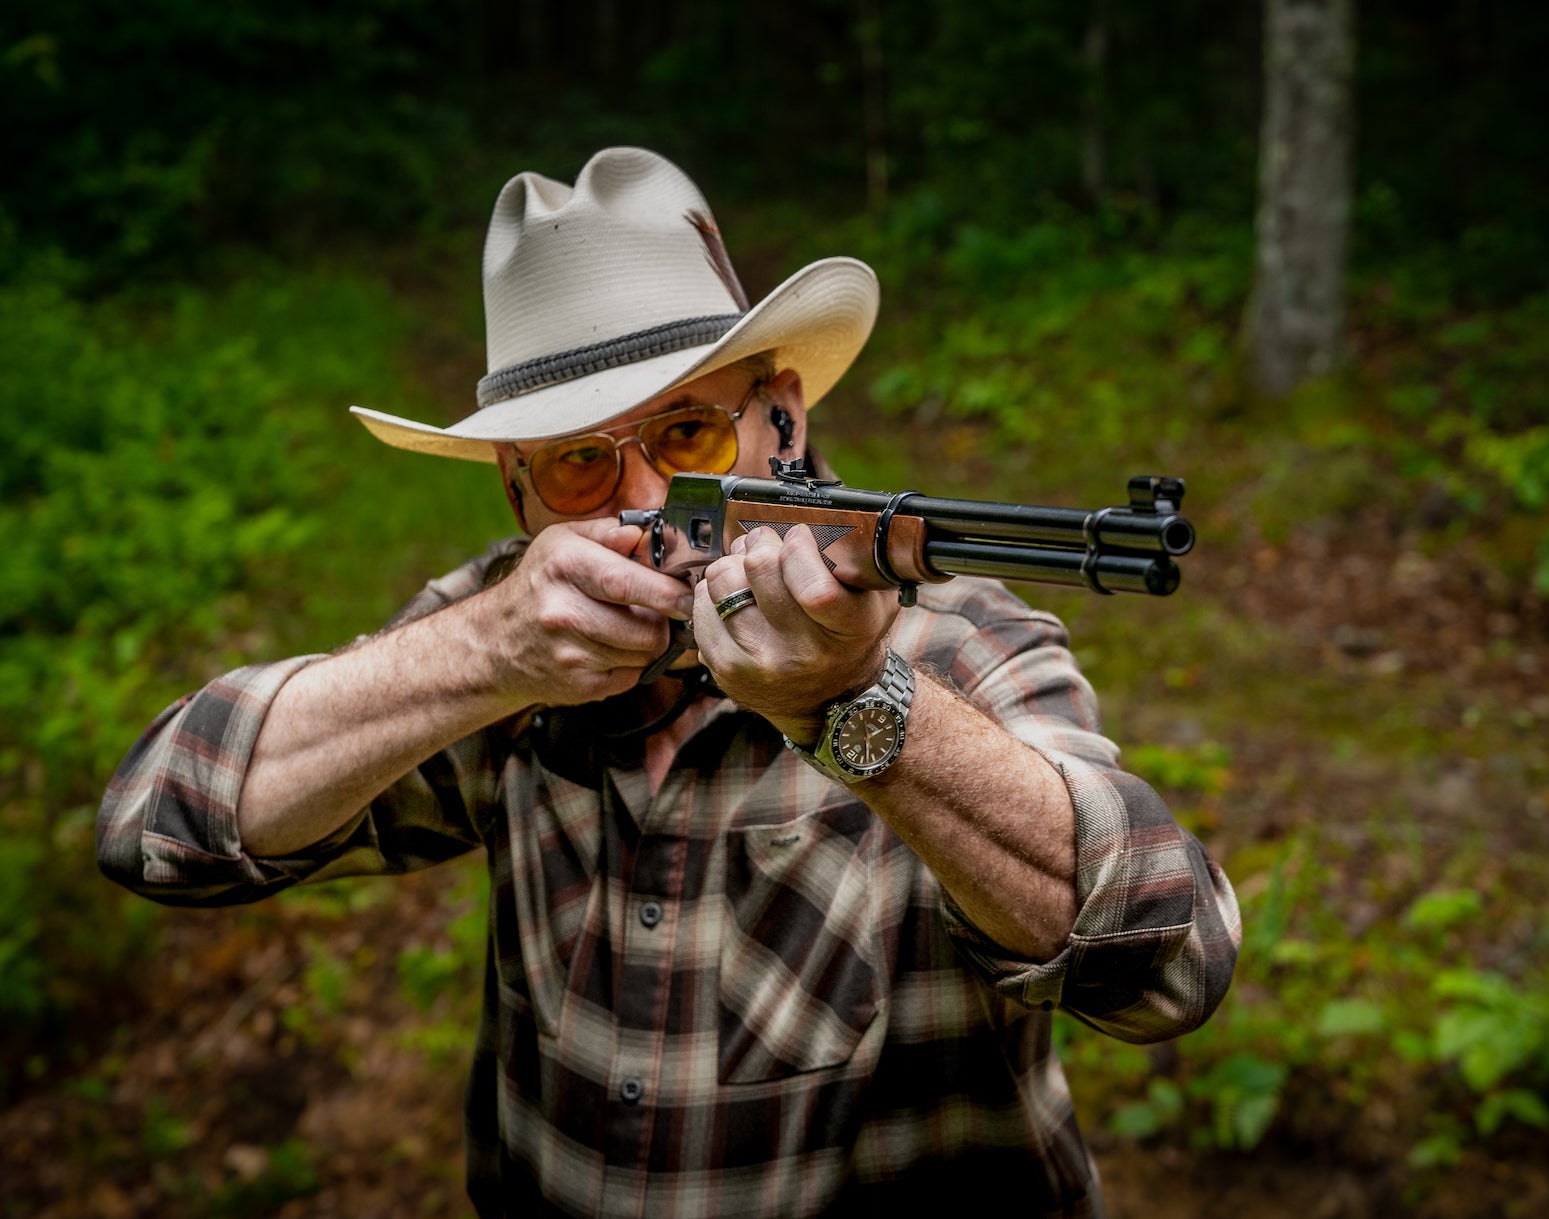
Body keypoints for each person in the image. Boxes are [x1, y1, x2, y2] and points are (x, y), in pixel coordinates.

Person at [98, 147, 1240, 1218]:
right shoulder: (517, 631)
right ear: (519, 496)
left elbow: (1168, 970)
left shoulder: (957, 642)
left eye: (686, 433)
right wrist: (482, 652)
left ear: (781, 418)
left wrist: (857, 709)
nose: (641, 500)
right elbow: (161, 828)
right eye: (580, 461)